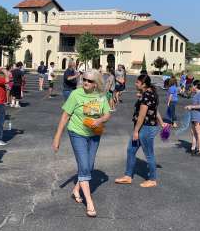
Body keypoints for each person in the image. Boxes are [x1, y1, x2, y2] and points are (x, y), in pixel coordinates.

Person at [52, 70, 110, 217]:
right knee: (84, 166)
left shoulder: (101, 96)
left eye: (90, 81)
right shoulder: (76, 94)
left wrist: (99, 120)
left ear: (96, 83)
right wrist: (57, 137)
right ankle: (89, 202)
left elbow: (107, 113)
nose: (86, 82)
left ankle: (76, 189)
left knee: (89, 166)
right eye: (84, 79)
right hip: (77, 133)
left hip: (95, 134)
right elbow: (65, 116)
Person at [115, 74, 166, 188]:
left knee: (149, 154)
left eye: (137, 82)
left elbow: (142, 115)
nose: (135, 83)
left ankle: (152, 179)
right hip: (144, 127)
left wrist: (136, 131)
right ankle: (128, 176)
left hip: (146, 128)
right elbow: (155, 110)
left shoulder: (147, 95)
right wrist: (161, 122)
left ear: (143, 84)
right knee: (131, 150)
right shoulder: (149, 93)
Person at [185, 79, 200, 156]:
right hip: (194, 116)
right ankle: (193, 148)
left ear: (196, 86)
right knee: (193, 133)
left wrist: (191, 106)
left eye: (193, 85)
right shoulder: (195, 94)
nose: (192, 87)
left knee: (199, 133)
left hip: (199, 117)